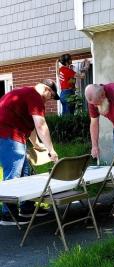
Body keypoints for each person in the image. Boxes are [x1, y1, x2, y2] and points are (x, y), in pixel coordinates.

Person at [0, 79, 59, 225]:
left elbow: (31, 126)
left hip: (10, 135)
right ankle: (8, 215)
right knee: (14, 174)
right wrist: (51, 150)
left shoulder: (22, 93)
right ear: (47, 90)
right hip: (7, 135)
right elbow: (40, 124)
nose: (49, 101)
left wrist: (37, 144)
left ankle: (27, 208)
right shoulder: (34, 96)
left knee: (25, 172)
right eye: (51, 97)